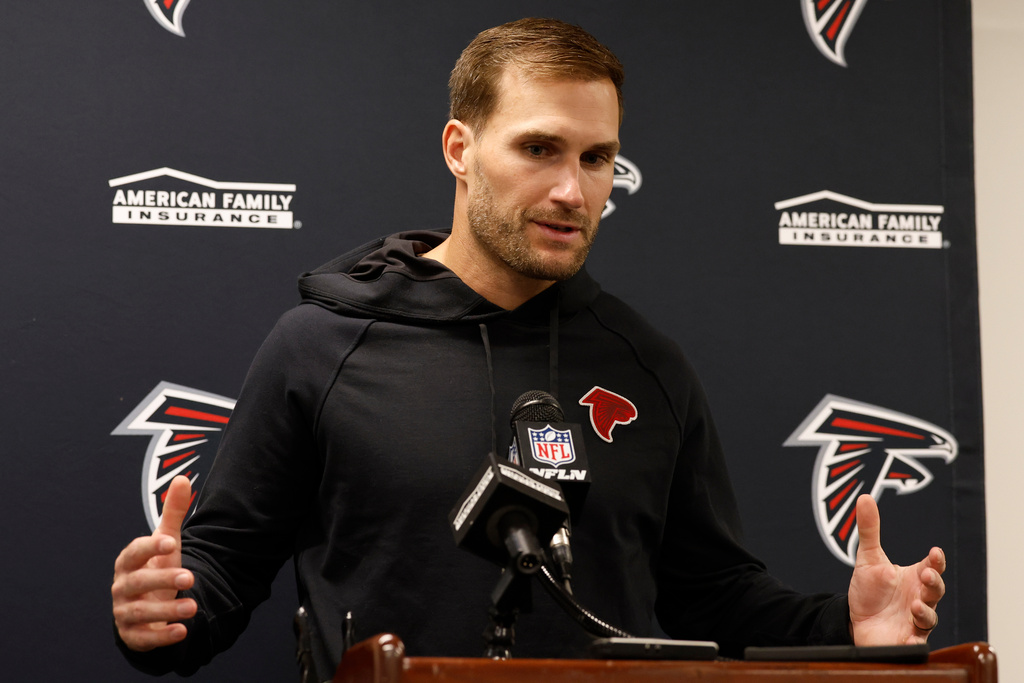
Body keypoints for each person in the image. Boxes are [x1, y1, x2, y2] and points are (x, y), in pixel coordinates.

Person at [111, 17, 946, 678]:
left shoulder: (646, 364)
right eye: (540, 148)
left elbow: (713, 596)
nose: (571, 189)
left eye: (597, 158)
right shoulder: (323, 345)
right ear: (460, 150)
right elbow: (215, 578)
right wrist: (163, 609)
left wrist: (848, 625)